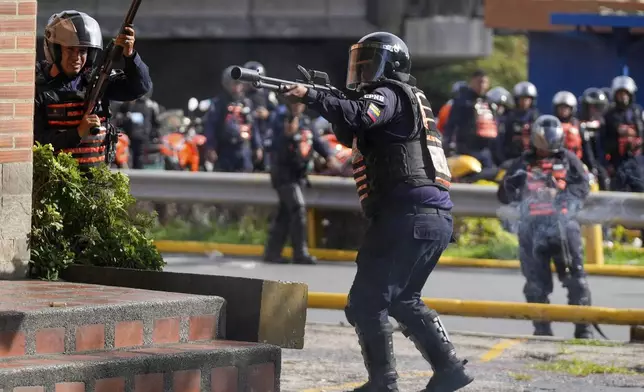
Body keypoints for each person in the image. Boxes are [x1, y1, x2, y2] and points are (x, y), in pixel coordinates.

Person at [281, 32, 473, 392]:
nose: (363, 72)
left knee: (366, 303)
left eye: (370, 64)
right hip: (430, 218)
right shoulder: (406, 100)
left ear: (392, 66)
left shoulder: (389, 95)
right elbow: (350, 128)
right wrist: (321, 99)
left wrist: (313, 95)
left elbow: (359, 115)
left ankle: (382, 384)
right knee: (403, 300)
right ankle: (449, 369)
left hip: (407, 217)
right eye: (360, 65)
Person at [498, 115, 593, 338]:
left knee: (576, 280)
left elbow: (583, 187)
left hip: (563, 229)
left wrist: (560, 195)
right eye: (542, 145)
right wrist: (521, 192)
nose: (545, 150)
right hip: (531, 230)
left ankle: (584, 330)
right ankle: (542, 331)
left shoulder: (569, 160)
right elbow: (504, 194)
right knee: (534, 284)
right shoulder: (522, 162)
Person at [34, 10, 152, 169]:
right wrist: (77, 133)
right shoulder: (38, 86)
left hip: (96, 181)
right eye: (70, 49)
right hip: (54, 181)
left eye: (82, 51)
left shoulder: (98, 80)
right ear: (55, 49)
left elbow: (140, 87)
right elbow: (37, 141)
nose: (76, 58)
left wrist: (130, 55)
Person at [263, 102, 337, 265]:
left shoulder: (305, 122)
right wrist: (287, 135)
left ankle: (272, 252)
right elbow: (271, 145)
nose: (297, 106)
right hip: (283, 174)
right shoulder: (279, 119)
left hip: (298, 175)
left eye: (300, 103)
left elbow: (317, 142)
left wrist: (329, 156)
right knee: (298, 208)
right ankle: (300, 252)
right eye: (294, 102)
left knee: (285, 213)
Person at [203, 66, 262, 173]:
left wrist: (257, 146)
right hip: (225, 150)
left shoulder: (247, 103)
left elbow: (254, 126)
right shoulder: (218, 104)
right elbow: (210, 127)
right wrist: (210, 147)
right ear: (226, 84)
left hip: (244, 150)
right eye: (234, 83)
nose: (237, 87)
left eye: (240, 84)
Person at [443, 69, 498, 168]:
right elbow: (451, 124)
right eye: (479, 82)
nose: (482, 85)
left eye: (485, 82)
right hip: (466, 148)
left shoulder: (490, 103)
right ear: (472, 82)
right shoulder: (462, 101)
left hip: (486, 150)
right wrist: (448, 144)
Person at [498, 81, 539, 164]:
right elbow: (502, 140)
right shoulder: (509, 117)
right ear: (516, 99)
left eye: (527, 99)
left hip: (532, 159)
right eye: (522, 98)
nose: (524, 102)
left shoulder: (536, 118)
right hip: (512, 158)